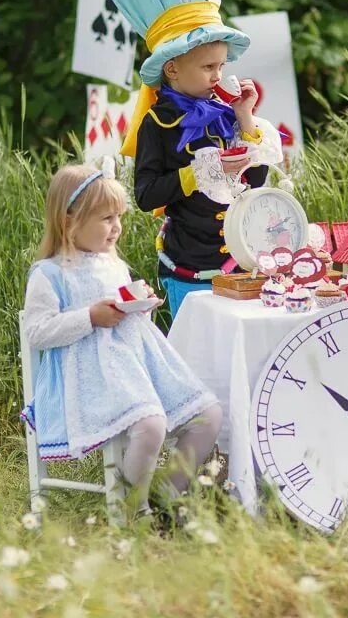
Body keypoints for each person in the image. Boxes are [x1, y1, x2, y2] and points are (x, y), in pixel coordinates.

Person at [99, 0, 283, 316]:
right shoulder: (158, 122)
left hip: (238, 262)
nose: (218, 75)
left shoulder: (225, 115)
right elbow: (146, 196)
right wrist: (195, 175)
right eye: (207, 67)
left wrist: (244, 117)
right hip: (188, 269)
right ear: (172, 70)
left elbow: (255, 181)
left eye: (221, 65)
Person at [21, 161, 222, 517]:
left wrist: (136, 302)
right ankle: (132, 509)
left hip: (140, 365)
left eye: (118, 218)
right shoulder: (49, 274)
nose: (116, 228)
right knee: (151, 425)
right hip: (93, 378)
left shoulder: (111, 262)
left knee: (208, 415)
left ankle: (167, 492)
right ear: (69, 221)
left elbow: (122, 310)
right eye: (106, 219)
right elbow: (38, 330)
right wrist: (90, 317)